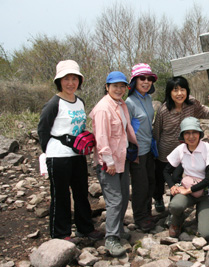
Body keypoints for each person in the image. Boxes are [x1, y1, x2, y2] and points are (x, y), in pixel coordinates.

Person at [38, 60, 102, 242]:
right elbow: (43, 130)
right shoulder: (53, 104)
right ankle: (60, 233)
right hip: (58, 156)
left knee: (81, 192)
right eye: (66, 79)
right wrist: (49, 151)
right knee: (61, 196)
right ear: (59, 81)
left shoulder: (79, 102)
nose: (71, 83)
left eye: (74, 79)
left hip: (77, 155)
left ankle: (85, 228)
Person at [90, 71, 138, 256]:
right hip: (108, 162)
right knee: (114, 199)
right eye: (115, 86)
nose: (119, 89)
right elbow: (101, 138)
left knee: (124, 195)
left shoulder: (120, 104)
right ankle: (111, 238)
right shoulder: (103, 108)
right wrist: (108, 161)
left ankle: (117, 230)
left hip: (121, 158)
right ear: (107, 87)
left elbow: (126, 131)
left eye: (122, 86)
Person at [153, 76, 209, 212]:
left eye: (182, 89)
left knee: (176, 178)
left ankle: (174, 208)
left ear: (187, 91)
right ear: (169, 92)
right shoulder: (164, 110)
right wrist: (155, 151)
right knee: (161, 176)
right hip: (166, 150)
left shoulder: (192, 104)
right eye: (175, 90)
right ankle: (158, 198)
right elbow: (156, 132)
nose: (179, 93)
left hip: (185, 151)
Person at [163, 117, 209, 241]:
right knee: (175, 205)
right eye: (187, 133)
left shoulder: (208, 149)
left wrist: (187, 190)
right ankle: (177, 220)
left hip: (206, 193)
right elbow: (166, 171)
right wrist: (173, 185)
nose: (191, 136)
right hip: (188, 190)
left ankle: (202, 212)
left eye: (194, 132)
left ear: (200, 133)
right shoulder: (180, 149)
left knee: (206, 234)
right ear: (183, 135)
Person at [125, 63, 157, 232]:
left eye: (149, 79)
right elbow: (125, 128)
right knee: (140, 185)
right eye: (142, 78)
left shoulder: (148, 99)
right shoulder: (129, 102)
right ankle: (140, 217)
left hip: (149, 148)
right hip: (137, 151)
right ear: (134, 81)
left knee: (150, 182)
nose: (146, 82)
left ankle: (147, 212)